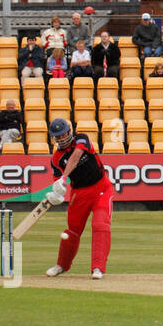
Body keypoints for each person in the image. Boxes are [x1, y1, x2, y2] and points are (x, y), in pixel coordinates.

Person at [44, 118, 113, 280]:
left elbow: (76, 156)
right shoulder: (56, 159)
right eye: (57, 136)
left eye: (63, 135)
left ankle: (98, 268)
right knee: (72, 231)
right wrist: (56, 194)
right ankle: (62, 265)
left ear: (69, 131)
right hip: (79, 194)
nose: (61, 139)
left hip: (101, 188)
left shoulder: (82, 139)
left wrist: (64, 177)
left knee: (100, 224)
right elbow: (57, 182)